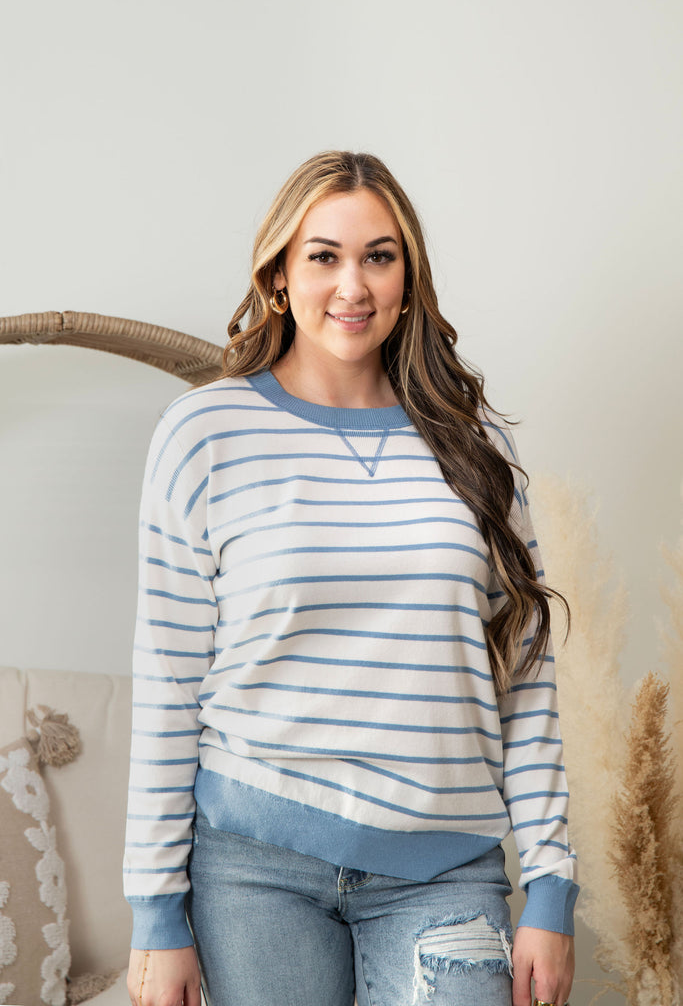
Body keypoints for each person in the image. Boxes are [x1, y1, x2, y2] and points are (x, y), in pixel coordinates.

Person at [125, 150, 577, 1006]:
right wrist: (155, 913)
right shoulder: (203, 432)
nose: (352, 285)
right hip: (253, 869)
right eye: (323, 256)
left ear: (408, 278)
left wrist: (551, 886)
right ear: (278, 277)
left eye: (378, 256)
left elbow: (525, 680)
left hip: (445, 867)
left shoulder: (476, 445)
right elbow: (168, 681)